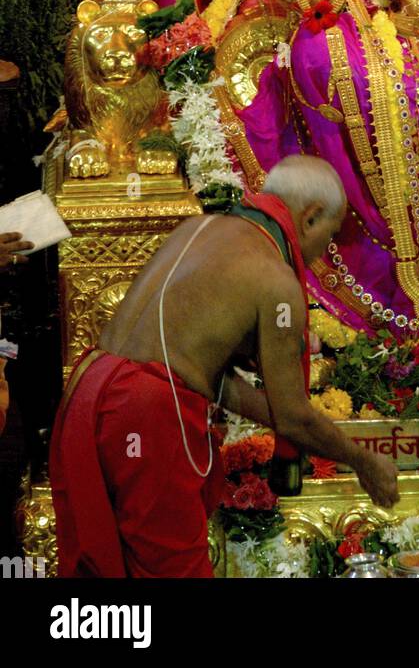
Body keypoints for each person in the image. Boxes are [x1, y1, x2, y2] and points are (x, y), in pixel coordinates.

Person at [49, 155, 399, 578]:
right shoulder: (274, 279)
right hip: (146, 410)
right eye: (330, 235)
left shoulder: (199, 227)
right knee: (174, 570)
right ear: (310, 217)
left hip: (90, 388)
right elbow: (291, 418)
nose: (325, 251)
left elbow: (203, 374)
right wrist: (364, 461)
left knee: (111, 567)